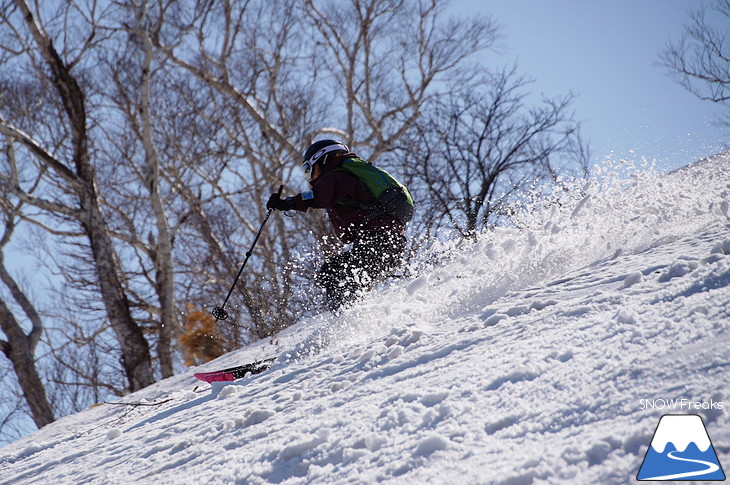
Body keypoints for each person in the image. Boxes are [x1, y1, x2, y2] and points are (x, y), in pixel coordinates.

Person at [266, 139, 410, 311]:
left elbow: (317, 196)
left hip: (378, 240)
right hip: (387, 241)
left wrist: (288, 203)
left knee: (332, 272)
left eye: (308, 170)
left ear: (322, 159)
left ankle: (347, 318)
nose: (310, 177)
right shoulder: (345, 176)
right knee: (343, 275)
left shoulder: (335, 176)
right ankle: (359, 314)